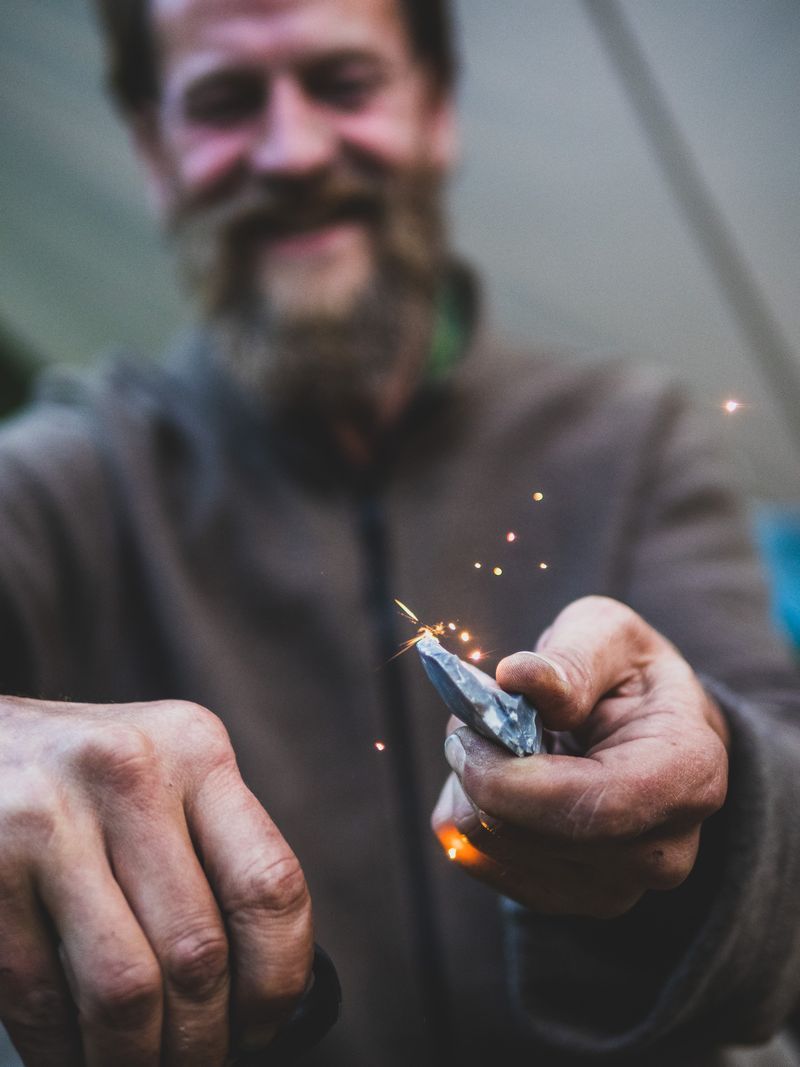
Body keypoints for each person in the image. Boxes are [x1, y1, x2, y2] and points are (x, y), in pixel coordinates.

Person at [0, 0, 799, 1064]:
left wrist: (720, 788)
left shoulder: (636, 439)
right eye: (227, 100)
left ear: (435, 111)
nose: (291, 152)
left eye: (342, 82)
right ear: (154, 148)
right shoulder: (61, 481)